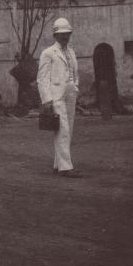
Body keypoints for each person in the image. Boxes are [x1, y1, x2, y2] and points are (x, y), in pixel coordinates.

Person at [37, 18, 82, 178]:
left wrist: (75, 86)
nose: (65, 37)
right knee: (62, 130)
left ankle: (58, 164)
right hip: (56, 95)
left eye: (67, 34)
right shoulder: (48, 53)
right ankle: (66, 167)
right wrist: (47, 100)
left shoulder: (71, 51)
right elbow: (42, 78)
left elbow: (74, 71)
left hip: (70, 94)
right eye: (62, 34)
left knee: (68, 130)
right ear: (55, 35)